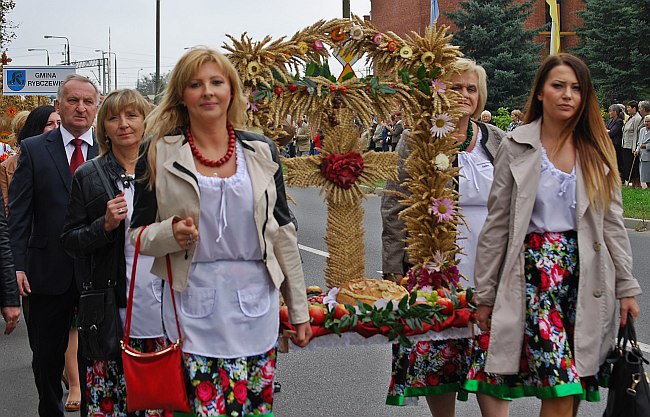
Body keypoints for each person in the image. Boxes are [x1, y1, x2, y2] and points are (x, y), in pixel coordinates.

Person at [128, 47, 311, 416]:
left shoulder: (261, 151)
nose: (208, 92)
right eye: (196, 84)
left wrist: (299, 308)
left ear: (231, 90)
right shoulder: (157, 152)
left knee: (254, 408)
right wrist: (169, 233)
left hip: (256, 305)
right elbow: (138, 235)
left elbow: (283, 232)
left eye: (216, 82)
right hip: (192, 306)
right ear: (182, 95)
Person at [471, 53, 641, 417]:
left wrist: (627, 287)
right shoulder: (516, 146)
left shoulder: (597, 150)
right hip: (534, 279)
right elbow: (497, 225)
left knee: (573, 386)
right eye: (558, 86)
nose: (568, 95)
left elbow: (612, 224)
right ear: (540, 94)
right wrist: (485, 294)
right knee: (561, 384)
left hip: (586, 277)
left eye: (576, 88)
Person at [383, 58, 509, 417]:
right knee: (439, 355)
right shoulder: (417, 139)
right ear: (441, 92)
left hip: (491, 266)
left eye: (471, 88)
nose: (465, 95)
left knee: (493, 359)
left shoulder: (496, 140)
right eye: (456, 87)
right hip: (436, 263)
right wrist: (394, 265)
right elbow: (394, 203)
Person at [59, 89, 168, 416]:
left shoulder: (165, 169)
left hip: (163, 312)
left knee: (160, 405)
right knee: (112, 407)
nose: (123, 124)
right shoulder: (88, 175)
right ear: (102, 127)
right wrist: (103, 226)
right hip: (109, 315)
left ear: (145, 120)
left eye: (132, 115)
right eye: (113, 117)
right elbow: (69, 239)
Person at [8, 74, 99, 417]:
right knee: (46, 357)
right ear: (59, 106)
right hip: (46, 271)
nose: (80, 108)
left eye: (87, 102)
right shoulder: (34, 150)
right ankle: (50, 408)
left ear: (96, 107)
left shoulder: (109, 148)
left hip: (96, 273)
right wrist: (16, 266)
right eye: (73, 101)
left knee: (97, 357)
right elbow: (18, 215)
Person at [622, 100, 642, 187]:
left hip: (631, 146)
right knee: (627, 165)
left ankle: (636, 184)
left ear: (634, 108)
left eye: (629, 107)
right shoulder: (630, 118)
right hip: (625, 145)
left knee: (633, 167)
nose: (627, 109)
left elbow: (635, 134)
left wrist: (634, 148)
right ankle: (631, 183)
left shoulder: (637, 118)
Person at [606, 104, 624, 180]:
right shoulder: (610, 121)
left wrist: (608, 131)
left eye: (610, 111)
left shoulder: (619, 121)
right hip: (609, 144)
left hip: (616, 144)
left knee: (617, 161)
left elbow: (612, 133)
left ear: (615, 112)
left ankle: (620, 178)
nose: (609, 113)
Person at [636, 115, 650, 187]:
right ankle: (646, 188)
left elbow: (643, 144)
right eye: (645, 121)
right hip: (642, 155)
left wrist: (646, 146)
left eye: (648, 121)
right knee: (644, 174)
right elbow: (639, 142)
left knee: (648, 174)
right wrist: (637, 150)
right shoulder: (642, 130)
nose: (646, 123)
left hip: (648, 155)